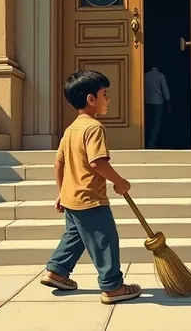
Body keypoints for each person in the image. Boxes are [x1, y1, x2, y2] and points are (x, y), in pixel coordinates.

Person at [41, 69, 141, 304]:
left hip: (71, 198)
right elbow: (98, 162)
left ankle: (57, 271)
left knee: (75, 237)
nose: (108, 99)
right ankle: (113, 286)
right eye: (105, 94)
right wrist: (120, 182)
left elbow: (59, 163)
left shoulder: (71, 129)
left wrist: (61, 192)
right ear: (91, 99)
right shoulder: (94, 127)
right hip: (90, 199)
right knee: (105, 239)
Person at [145, 58, 171, 149]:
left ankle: (146, 141)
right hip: (158, 102)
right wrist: (168, 102)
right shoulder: (161, 76)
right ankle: (151, 142)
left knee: (148, 122)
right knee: (156, 123)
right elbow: (165, 90)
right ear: (158, 66)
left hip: (147, 102)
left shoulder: (145, 76)